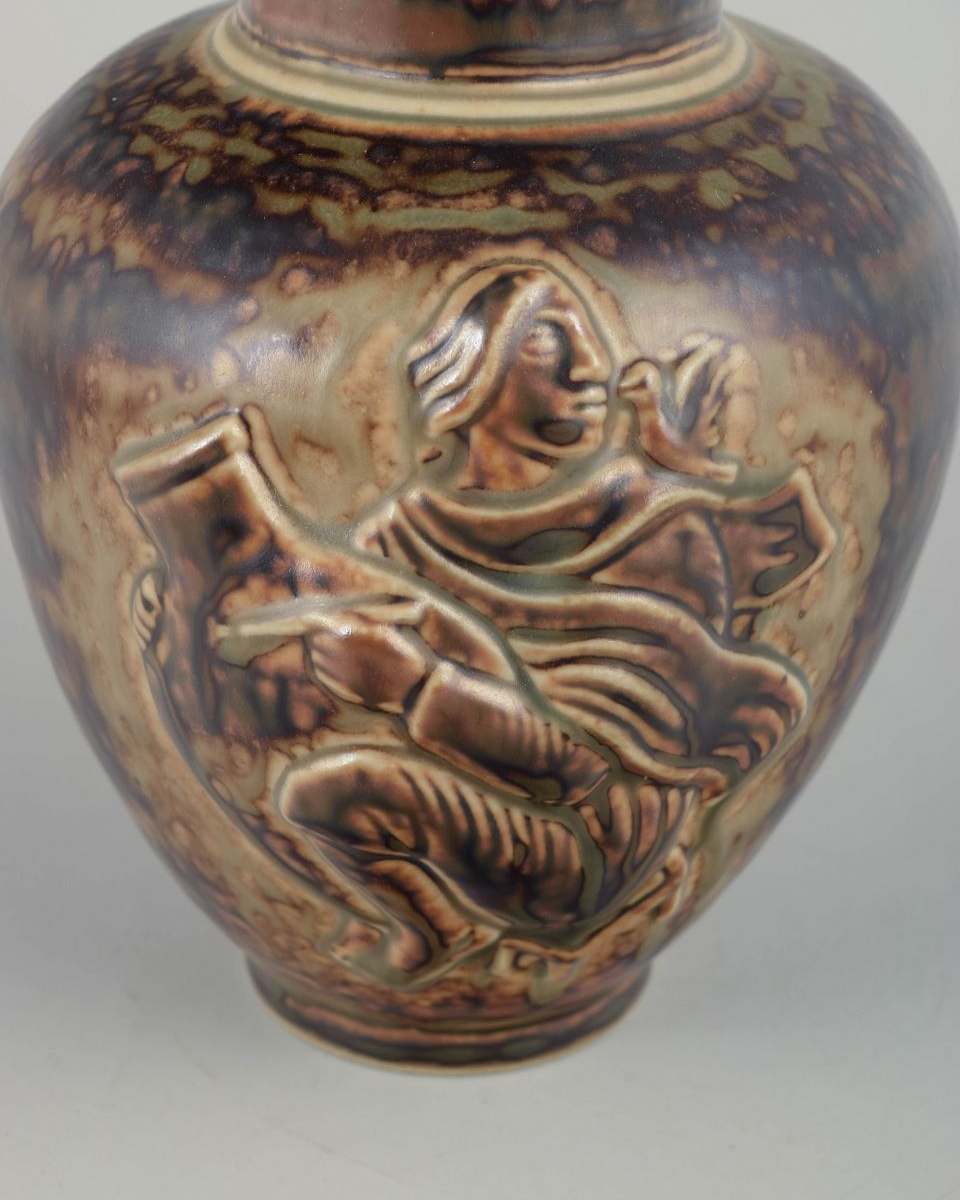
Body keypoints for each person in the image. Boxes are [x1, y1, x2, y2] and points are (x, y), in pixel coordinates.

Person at [221, 254, 836, 986]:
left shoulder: (660, 531)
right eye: (548, 344)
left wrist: (414, 687)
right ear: (470, 375)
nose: (592, 371)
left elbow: (577, 772)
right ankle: (436, 923)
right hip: (484, 801)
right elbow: (307, 685)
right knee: (312, 791)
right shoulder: (400, 534)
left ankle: (511, 927)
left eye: (591, 342)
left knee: (333, 791)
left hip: (590, 849)